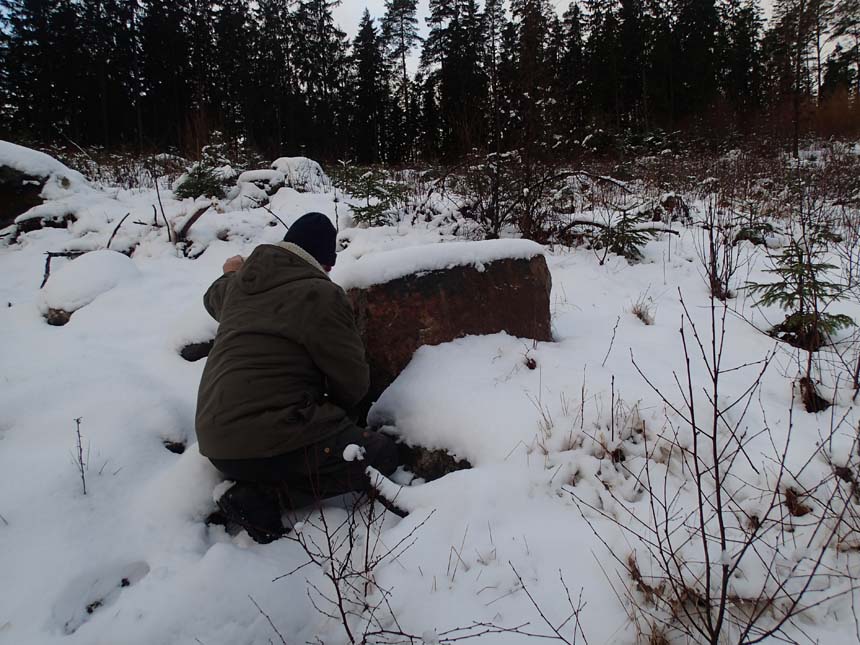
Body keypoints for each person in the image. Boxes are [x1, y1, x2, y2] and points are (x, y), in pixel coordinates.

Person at [195, 212, 400, 543]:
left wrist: (231, 272)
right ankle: (267, 499)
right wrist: (343, 420)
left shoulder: (241, 286)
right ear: (325, 263)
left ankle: (257, 481)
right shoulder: (321, 294)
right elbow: (352, 380)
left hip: (216, 442)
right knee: (381, 455)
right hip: (272, 439)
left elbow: (213, 296)